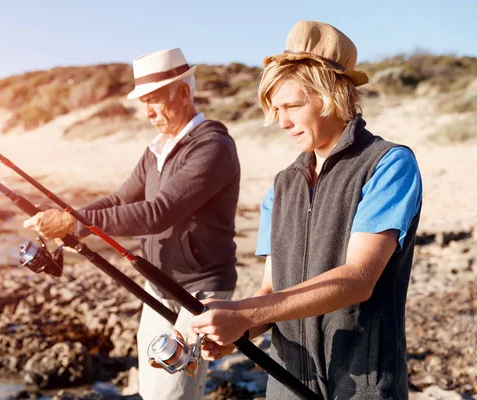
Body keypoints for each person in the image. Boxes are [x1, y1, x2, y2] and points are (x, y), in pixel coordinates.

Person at [190, 21, 423, 399]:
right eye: (276, 109)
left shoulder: (388, 164)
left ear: (331, 95)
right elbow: (270, 289)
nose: (282, 122)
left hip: (362, 386)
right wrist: (236, 332)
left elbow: (358, 279)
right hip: (286, 385)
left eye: (293, 106)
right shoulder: (282, 186)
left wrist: (245, 314)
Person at [23, 48, 241, 400]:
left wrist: (73, 223)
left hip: (199, 292)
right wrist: (69, 221)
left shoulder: (212, 147)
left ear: (183, 93)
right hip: (156, 285)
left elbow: (159, 212)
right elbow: (120, 199)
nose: (148, 113)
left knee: (175, 392)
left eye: (155, 101)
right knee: (153, 390)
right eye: (144, 103)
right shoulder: (156, 149)